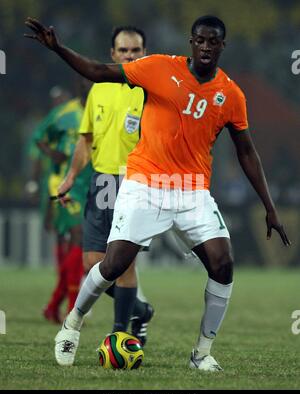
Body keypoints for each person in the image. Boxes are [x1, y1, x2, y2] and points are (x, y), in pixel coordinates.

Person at [25, 15, 291, 371]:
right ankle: (72, 325)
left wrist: (269, 206)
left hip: (193, 191)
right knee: (113, 263)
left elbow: (246, 151)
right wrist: (58, 49)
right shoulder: (158, 68)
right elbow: (99, 71)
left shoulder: (231, 95)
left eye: (214, 42)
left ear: (222, 46)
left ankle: (201, 353)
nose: (207, 47)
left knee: (223, 264)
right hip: (145, 184)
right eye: (201, 40)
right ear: (191, 42)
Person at [57, 26, 154, 343]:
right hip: (101, 181)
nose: (129, 56)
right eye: (123, 51)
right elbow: (86, 140)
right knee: (93, 264)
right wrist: (71, 177)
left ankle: (120, 335)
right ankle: (140, 310)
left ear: (144, 53)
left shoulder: (151, 90)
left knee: (124, 263)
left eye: (135, 50)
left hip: (135, 182)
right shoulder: (99, 87)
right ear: (112, 54)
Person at [33, 87, 93, 320]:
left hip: (89, 185)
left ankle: (53, 305)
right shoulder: (63, 113)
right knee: (77, 235)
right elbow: (38, 138)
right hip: (64, 184)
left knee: (72, 243)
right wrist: (51, 154)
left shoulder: (103, 109)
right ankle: (71, 308)